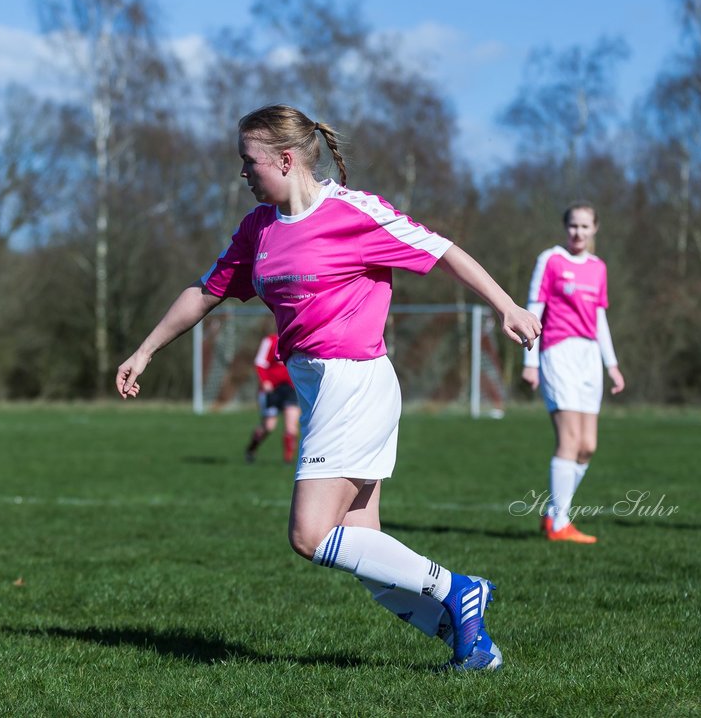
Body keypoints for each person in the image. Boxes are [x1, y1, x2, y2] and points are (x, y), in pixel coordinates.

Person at [116, 104, 541, 672]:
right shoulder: (258, 228)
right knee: (364, 551)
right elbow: (205, 291)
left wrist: (507, 305)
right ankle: (475, 650)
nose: (242, 173)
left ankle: (460, 589)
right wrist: (144, 350)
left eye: (249, 162)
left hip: (355, 382)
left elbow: (442, 250)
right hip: (317, 387)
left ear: (285, 160)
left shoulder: (353, 212)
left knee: (311, 535)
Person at [521, 201, 624, 544]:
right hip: (558, 352)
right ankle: (560, 523)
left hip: (589, 357)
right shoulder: (550, 259)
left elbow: (599, 320)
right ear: (565, 228)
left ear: (595, 229)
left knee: (588, 446)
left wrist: (612, 365)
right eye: (573, 226)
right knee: (568, 441)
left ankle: (552, 514)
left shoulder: (598, 268)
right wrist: (530, 361)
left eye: (585, 226)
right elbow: (534, 307)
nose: (578, 232)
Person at [245, 331, 301, 464]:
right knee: (269, 426)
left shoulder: (298, 339)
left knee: (291, 427)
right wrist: (265, 381)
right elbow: (260, 363)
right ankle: (251, 448)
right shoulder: (270, 340)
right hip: (272, 390)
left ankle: (288, 461)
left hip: (291, 389)